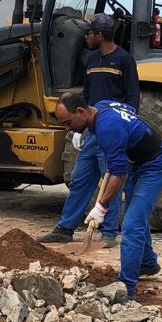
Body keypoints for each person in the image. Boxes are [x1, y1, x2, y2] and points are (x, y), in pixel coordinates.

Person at [53, 91, 162, 301]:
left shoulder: (107, 128)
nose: (67, 129)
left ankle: (126, 288)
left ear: (81, 111)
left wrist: (101, 207)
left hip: (155, 166)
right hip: (137, 163)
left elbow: (119, 174)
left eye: (69, 123)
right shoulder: (102, 104)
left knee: (131, 224)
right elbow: (130, 110)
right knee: (136, 217)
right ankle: (147, 263)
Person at [37, 12, 140, 246]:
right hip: (92, 131)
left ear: (100, 35)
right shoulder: (92, 61)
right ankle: (65, 228)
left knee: (111, 179)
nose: (85, 37)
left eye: (89, 33)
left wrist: (124, 131)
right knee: (80, 178)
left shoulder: (124, 60)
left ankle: (109, 233)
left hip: (112, 132)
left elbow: (133, 98)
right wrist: (77, 130)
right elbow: (85, 97)